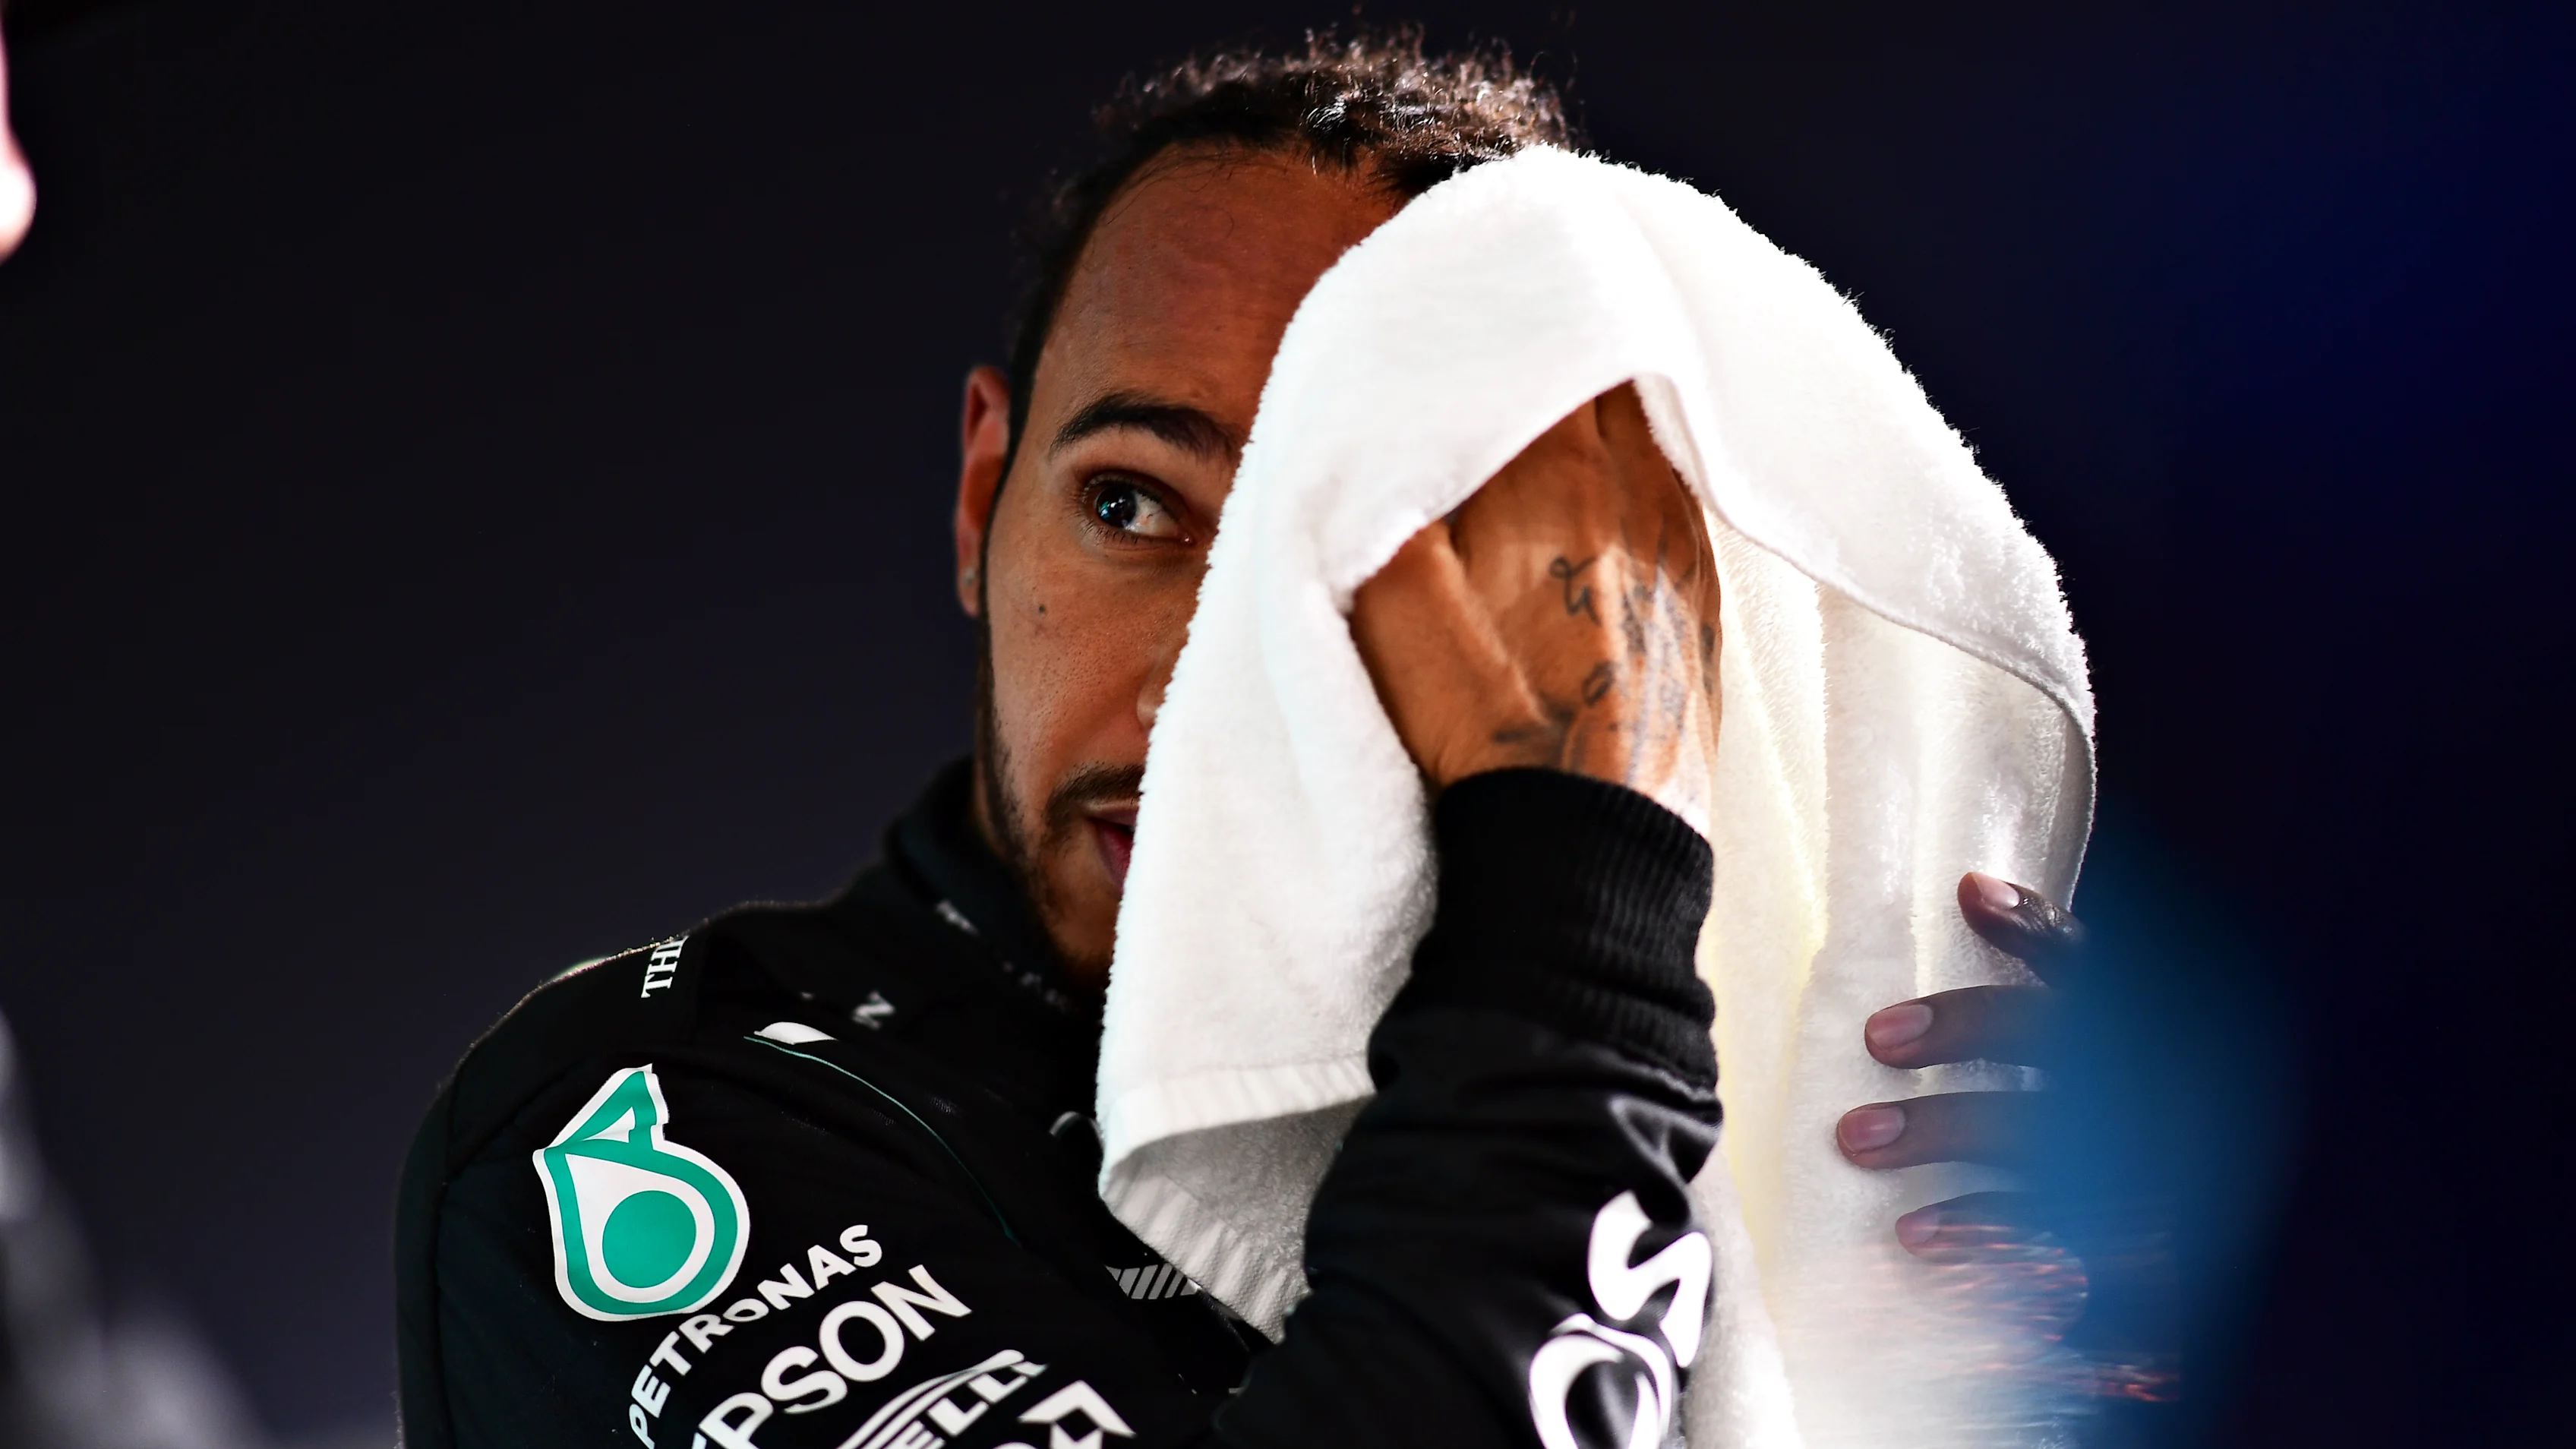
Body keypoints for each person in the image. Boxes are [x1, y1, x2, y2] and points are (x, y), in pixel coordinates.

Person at [394, 35, 2084, 1449]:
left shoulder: (1772, 1124)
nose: (1213, 680)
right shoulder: (644, 1122)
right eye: (1133, 503)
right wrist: (1585, 879)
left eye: (1348, 551)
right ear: (985, 499)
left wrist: (2042, 1369)